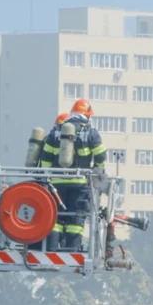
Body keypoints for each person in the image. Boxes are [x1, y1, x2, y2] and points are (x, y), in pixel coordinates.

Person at [40, 99, 107, 250]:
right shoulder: (90, 132)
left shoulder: (56, 130)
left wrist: (47, 178)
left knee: (55, 218)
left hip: (56, 184)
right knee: (76, 219)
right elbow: (101, 155)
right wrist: (96, 171)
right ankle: (72, 250)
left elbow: (46, 156)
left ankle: (51, 249)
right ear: (87, 115)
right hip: (80, 183)